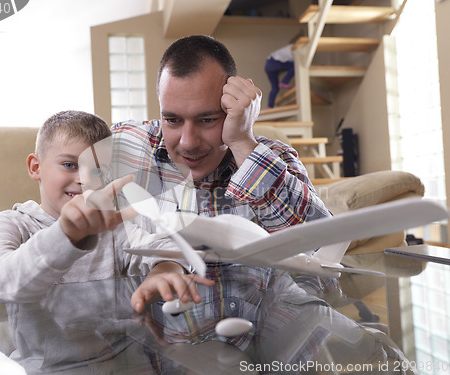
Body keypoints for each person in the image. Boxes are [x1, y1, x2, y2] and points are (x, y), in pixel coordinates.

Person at [110, 35, 335, 315]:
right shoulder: (122, 145)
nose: (188, 142)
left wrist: (242, 141)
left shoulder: (273, 158)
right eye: (172, 120)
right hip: (155, 343)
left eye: (207, 120)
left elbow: (323, 252)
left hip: (256, 345)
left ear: (233, 110)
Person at [0, 110, 214, 306]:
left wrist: (164, 271)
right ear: (35, 167)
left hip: (107, 354)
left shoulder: (112, 230)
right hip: (39, 358)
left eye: (97, 171)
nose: (83, 179)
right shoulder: (10, 223)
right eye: (69, 164)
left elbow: (170, 249)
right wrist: (65, 235)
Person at [264, 43, 295, 108]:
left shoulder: (288, 48)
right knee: (295, 66)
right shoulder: (294, 48)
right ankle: (284, 82)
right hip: (273, 62)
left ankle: (270, 106)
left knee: (275, 88)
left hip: (268, 65)